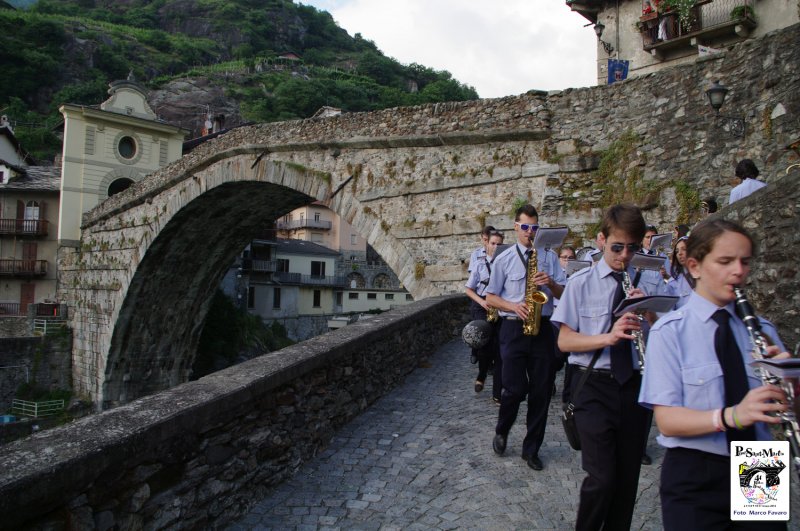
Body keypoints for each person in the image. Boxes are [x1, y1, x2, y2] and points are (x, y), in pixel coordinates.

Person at [639, 219, 789, 531]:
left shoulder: (763, 331)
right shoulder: (670, 332)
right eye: (725, 261)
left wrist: (791, 386)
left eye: (745, 262)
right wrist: (732, 416)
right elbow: (668, 421)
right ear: (694, 266)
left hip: (760, 459)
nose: (738, 272)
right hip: (696, 467)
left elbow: (787, 413)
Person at [552, 203, 653, 530]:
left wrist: (650, 315)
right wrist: (608, 338)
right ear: (600, 240)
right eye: (618, 247)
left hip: (633, 386)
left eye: (632, 248)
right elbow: (565, 342)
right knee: (602, 477)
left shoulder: (642, 284)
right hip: (593, 385)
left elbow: (660, 343)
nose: (625, 255)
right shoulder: (581, 283)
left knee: (626, 482)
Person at [485, 204, 565, 471]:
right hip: (513, 328)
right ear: (516, 227)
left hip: (542, 328)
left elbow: (564, 293)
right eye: (525, 227)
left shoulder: (549, 257)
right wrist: (513, 306)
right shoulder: (503, 259)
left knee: (541, 392)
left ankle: (531, 449)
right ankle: (502, 429)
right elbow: (491, 297)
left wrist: (550, 284)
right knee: (514, 389)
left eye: (534, 227)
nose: (530, 232)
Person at [464, 230, 504, 403]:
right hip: (482, 306)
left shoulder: (505, 264)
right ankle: (481, 375)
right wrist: (481, 302)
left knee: (500, 350)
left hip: (499, 307)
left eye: (499, 244)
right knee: (485, 346)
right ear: (487, 244)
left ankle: (497, 392)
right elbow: (468, 289)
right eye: (493, 243)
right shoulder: (479, 264)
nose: (495, 247)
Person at [665, 236, 692, 308]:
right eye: (677, 251)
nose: (680, 253)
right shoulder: (673, 283)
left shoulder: (705, 275)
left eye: (684, 249)